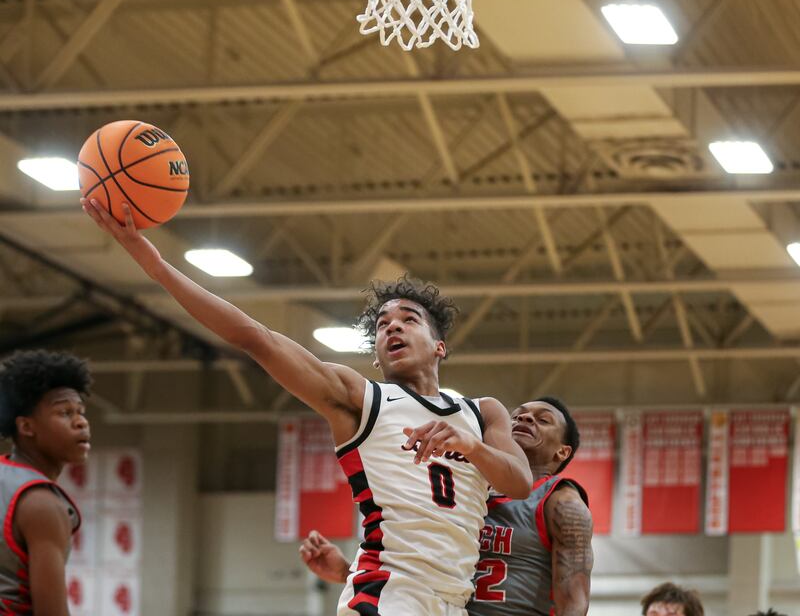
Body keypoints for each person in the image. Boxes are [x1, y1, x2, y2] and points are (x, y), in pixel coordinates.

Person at [81, 199, 532, 616]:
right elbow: (254, 338)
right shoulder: (362, 399)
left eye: (408, 320)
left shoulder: (481, 413)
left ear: (439, 346)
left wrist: (470, 446)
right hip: (390, 595)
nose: (392, 326)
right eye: (382, 325)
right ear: (376, 355)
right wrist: (155, 265)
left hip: (452, 601)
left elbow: (520, 482)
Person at [300, 397, 594, 615]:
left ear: (562, 451)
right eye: (519, 415)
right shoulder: (467, 489)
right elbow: (422, 565)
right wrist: (345, 572)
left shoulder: (561, 501)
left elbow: (574, 600)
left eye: (542, 419)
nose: (525, 420)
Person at [0, 349, 92, 616]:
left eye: (81, 411)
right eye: (65, 413)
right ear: (27, 427)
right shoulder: (42, 504)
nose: (81, 422)